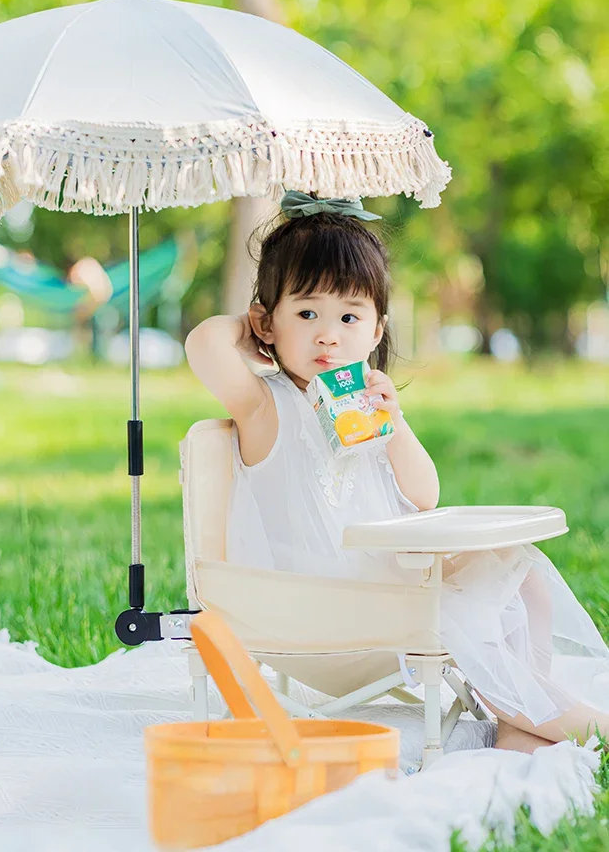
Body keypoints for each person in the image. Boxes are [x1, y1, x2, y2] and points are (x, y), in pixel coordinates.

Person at [185, 190, 609, 754]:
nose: (328, 334)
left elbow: (424, 495)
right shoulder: (268, 408)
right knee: (454, 608)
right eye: (306, 313)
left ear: (376, 331)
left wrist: (396, 426)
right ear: (268, 323)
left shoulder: (364, 406)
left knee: (521, 569)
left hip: (382, 573)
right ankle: (566, 721)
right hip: (323, 598)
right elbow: (204, 342)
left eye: (349, 317)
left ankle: (521, 704)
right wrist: (254, 330)